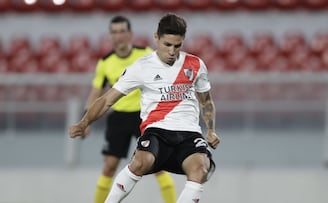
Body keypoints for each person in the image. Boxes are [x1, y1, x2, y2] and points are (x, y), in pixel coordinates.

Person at [69, 13, 220, 203]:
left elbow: (206, 101)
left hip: (189, 133)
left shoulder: (196, 65)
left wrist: (212, 130)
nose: (172, 51)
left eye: (177, 45)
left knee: (201, 169)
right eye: (167, 45)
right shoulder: (141, 67)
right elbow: (107, 99)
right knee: (140, 162)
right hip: (157, 131)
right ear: (156, 38)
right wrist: (84, 122)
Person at [83, 15, 176, 203]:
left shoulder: (145, 53)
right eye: (114, 32)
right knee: (109, 167)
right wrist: (86, 120)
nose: (119, 36)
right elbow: (96, 93)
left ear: (130, 34)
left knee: (158, 166)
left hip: (145, 117)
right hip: (119, 117)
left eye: (122, 31)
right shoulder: (105, 62)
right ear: (110, 36)